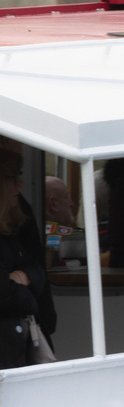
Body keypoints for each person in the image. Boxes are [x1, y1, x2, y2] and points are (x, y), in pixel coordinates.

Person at [0, 150, 54, 368]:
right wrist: (28, 295)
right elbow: (4, 294)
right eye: (13, 177)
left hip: (15, 349)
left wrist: (23, 277)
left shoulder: (12, 227)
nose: (20, 184)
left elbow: (39, 270)